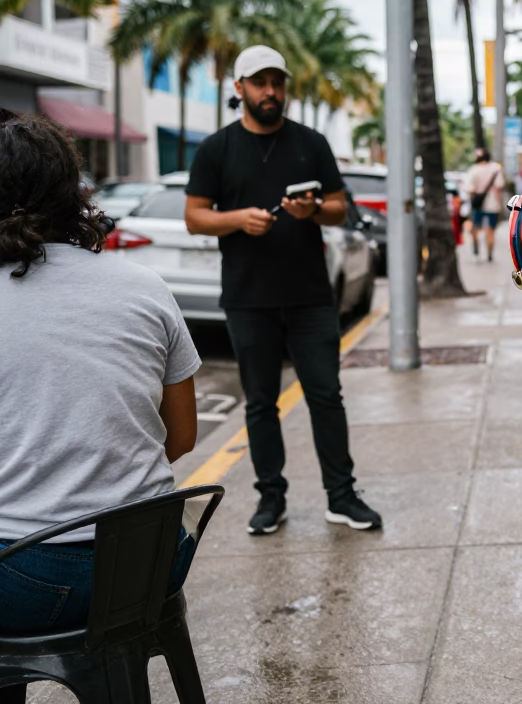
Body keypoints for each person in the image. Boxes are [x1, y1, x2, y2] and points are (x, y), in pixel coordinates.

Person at [0, 110, 200, 632]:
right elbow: (180, 436)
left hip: (24, 576)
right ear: (76, 189)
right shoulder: (146, 286)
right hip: (151, 561)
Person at [184, 45, 381, 535]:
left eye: (277, 82)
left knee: (326, 395)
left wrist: (311, 211)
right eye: (259, 82)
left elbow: (339, 207)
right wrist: (237, 219)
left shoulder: (310, 143)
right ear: (239, 89)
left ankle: (342, 495)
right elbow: (194, 217)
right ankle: (270, 498)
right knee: (259, 402)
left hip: (311, 295)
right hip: (248, 297)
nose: (270, 91)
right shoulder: (216, 149)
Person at [464, 148, 505, 262]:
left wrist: (477, 191)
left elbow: (468, 187)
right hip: (493, 204)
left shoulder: (473, 170)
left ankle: (476, 250)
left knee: (475, 228)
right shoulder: (495, 169)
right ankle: (489, 254)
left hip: (478, 204)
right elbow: (500, 185)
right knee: (490, 230)